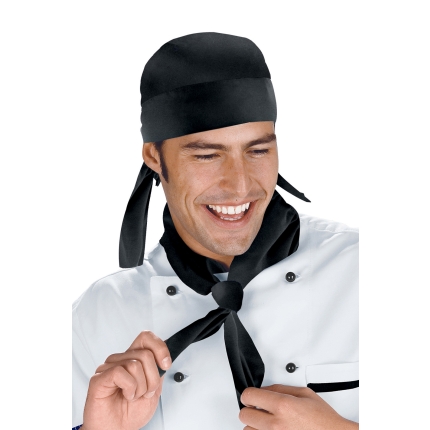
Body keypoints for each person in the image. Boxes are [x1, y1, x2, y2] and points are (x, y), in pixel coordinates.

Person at [72, 32, 359, 430]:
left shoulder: (364, 271)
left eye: (258, 150)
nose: (240, 185)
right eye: (207, 155)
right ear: (155, 157)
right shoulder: (97, 316)